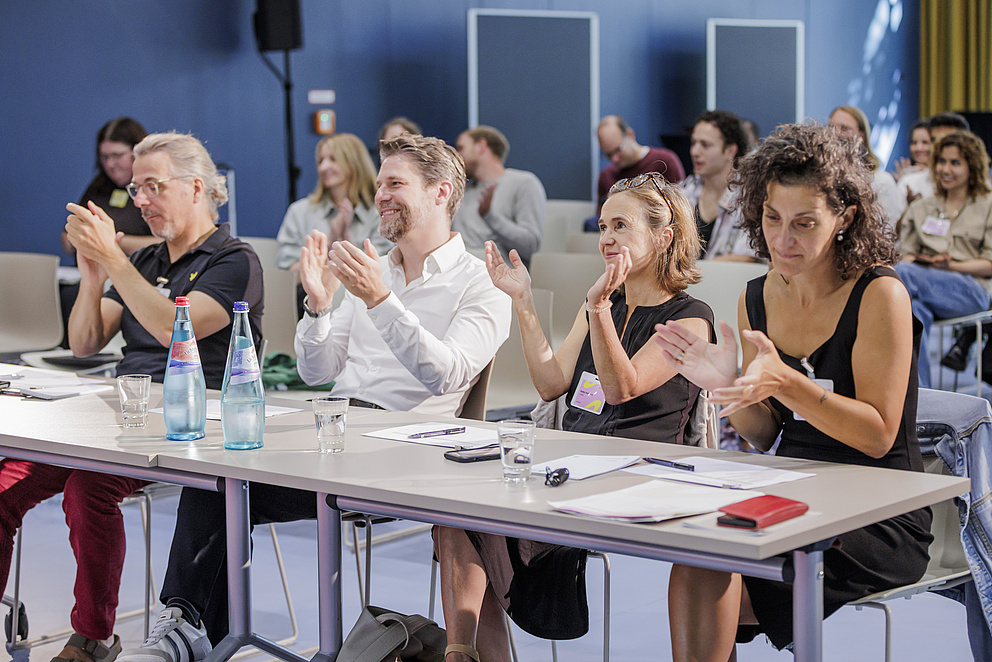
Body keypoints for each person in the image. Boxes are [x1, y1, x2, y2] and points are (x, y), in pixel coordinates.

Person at [116, 133, 511, 662]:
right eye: (380, 184)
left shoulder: (481, 282)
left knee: (227, 484)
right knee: (218, 477)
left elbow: (448, 375)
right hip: (335, 429)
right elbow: (317, 370)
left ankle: (189, 639)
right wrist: (321, 308)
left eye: (396, 184)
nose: (381, 195)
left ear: (441, 193)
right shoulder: (376, 267)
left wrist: (382, 301)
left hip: (407, 447)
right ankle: (189, 633)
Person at [654, 122, 933, 661]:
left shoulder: (881, 295)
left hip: (879, 509)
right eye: (772, 218)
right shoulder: (755, 297)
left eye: (805, 224)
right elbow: (767, 435)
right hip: (797, 488)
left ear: (845, 217)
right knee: (697, 560)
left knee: (712, 575)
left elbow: (877, 437)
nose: (783, 241)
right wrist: (728, 388)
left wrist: (789, 382)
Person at [0, 132, 261, 662]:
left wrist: (113, 256)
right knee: (5, 484)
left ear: (195, 187)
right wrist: (94, 273)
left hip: (190, 423)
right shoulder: (147, 263)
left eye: (151, 187)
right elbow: (85, 341)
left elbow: (173, 328)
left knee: (88, 489)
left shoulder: (235, 261)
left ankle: (93, 636)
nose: (139, 201)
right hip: (121, 413)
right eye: (136, 189)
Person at [434, 173, 714, 662]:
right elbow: (550, 382)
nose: (606, 238)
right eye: (603, 226)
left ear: (663, 237)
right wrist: (522, 300)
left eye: (621, 226)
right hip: (568, 465)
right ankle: (462, 654)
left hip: (636, 476)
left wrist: (599, 309)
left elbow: (620, 387)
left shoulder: (690, 318)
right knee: (455, 516)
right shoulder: (602, 304)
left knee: (477, 518)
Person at [895, 130, 992, 386]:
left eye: (955, 162)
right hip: (925, 287)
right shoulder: (922, 207)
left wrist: (952, 266)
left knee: (899, 274)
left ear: (972, 166)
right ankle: (923, 401)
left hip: (972, 291)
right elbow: (906, 254)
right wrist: (922, 261)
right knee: (912, 315)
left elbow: (990, 265)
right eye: (941, 161)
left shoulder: (988, 204)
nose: (945, 169)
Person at [275, 133, 390, 316]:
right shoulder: (300, 212)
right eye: (321, 160)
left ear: (354, 163)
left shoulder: (381, 212)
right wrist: (330, 242)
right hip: (311, 309)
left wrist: (346, 238)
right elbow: (286, 275)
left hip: (366, 312)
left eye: (333, 159)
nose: (323, 167)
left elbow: (385, 271)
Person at [61, 117, 160, 258]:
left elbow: (168, 243)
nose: (109, 164)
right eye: (104, 157)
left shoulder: (155, 189)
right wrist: (74, 236)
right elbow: (67, 236)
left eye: (117, 155)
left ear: (138, 152)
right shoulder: (99, 186)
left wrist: (109, 240)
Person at [452, 125, 546, 266]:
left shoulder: (524, 183)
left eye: (461, 148)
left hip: (497, 278)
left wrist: (490, 216)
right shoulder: (460, 190)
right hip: (457, 273)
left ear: (481, 146)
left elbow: (530, 246)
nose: (457, 156)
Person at [680, 110, 759, 261]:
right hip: (685, 283)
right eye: (693, 143)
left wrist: (692, 273)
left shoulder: (750, 196)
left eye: (705, 145)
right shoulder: (683, 192)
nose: (695, 152)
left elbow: (746, 258)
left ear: (730, 150)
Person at [829, 105, 906, 229]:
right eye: (831, 127)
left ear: (861, 136)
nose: (836, 133)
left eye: (844, 128)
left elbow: (887, 231)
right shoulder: (820, 178)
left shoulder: (881, 182)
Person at [596, 115, 685, 213]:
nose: (614, 159)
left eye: (618, 150)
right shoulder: (606, 176)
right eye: (609, 155)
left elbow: (680, 210)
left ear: (630, 135)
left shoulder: (665, 161)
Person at [900, 112, 971, 204]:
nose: (938, 147)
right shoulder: (910, 184)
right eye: (934, 140)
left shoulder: (983, 191)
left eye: (947, 141)